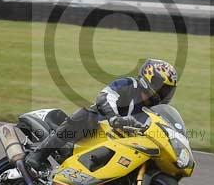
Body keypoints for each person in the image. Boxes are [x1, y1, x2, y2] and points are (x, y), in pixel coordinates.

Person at [25, 58, 178, 170]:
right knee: (87, 114)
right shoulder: (129, 85)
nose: (164, 93)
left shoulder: (153, 111)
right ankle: (39, 154)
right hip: (95, 130)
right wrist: (114, 117)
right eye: (162, 88)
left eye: (168, 90)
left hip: (121, 145)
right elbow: (105, 97)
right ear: (150, 79)